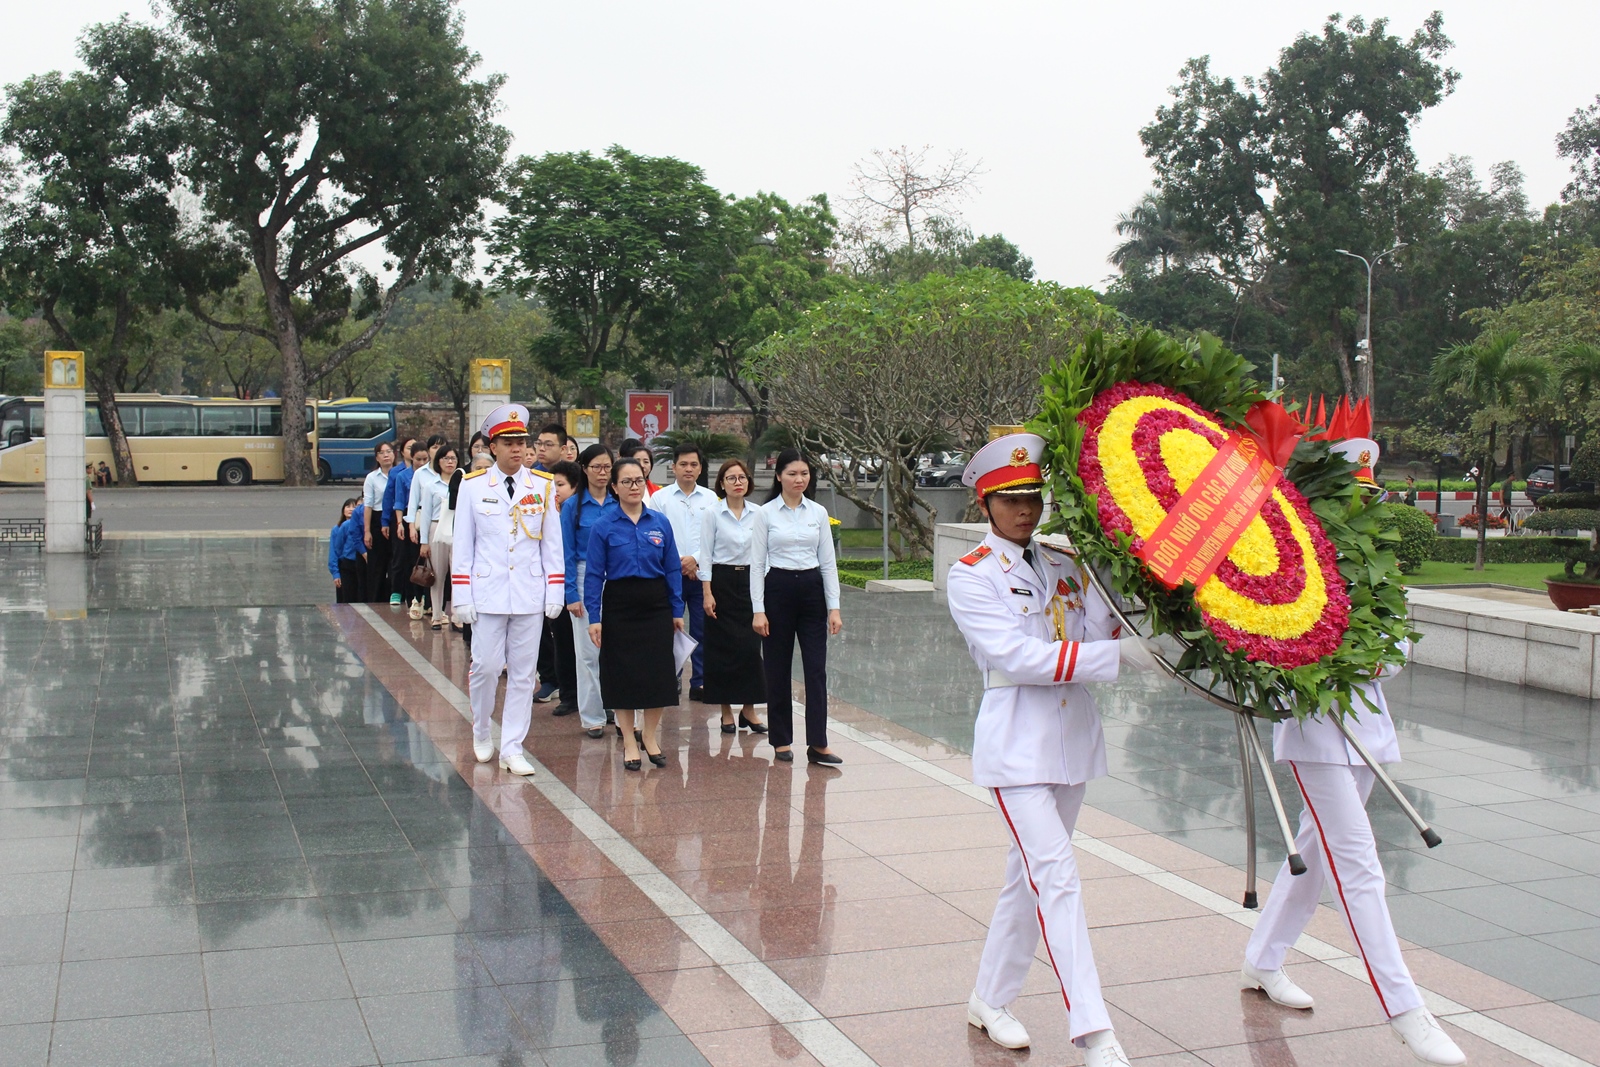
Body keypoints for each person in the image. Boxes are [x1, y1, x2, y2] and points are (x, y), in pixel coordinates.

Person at [1242, 436, 1465, 1067]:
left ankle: (1263, 958)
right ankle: (1405, 1010)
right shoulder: (1291, 566)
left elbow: (1395, 655)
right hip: (1315, 732)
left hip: (1367, 731)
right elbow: (1275, 650)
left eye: (1369, 497)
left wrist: (1364, 660)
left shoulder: (1374, 566)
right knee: (1359, 865)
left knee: (1314, 851)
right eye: (1350, 498)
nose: (1362, 510)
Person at [946, 432, 1157, 1067]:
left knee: (1028, 878)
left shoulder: (1066, 561)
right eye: (1010, 499)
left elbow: (1098, 627)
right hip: (1015, 744)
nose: (1025, 510)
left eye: (1033, 497)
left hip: (1070, 740)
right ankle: (1095, 1033)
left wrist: (1103, 569)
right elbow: (1018, 657)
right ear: (985, 504)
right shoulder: (973, 575)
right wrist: (1113, 656)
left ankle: (989, 997)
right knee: (1057, 876)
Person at [451, 405, 565, 776]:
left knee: (522, 673)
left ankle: (513, 745)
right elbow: (463, 545)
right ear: (493, 446)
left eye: (522, 441)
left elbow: (552, 544)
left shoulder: (543, 486)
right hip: (488, 591)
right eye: (509, 442)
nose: (517, 448)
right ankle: (482, 729)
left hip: (528, 591)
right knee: (484, 666)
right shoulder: (472, 485)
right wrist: (462, 596)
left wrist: (554, 591)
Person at [584, 456, 685, 770]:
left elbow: (672, 568)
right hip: (620, 604)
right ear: (614, 486)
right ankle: (629, 740)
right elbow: (593, 574)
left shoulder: (660, 522)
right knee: (623, 676)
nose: (633, 486)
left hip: (656, 604)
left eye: (639, 480)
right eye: (626, 481)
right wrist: (595, 616)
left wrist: (676, 608)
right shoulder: (604, 526)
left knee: (658, 675)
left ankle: (651, 737)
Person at [750, 449, 842, 765]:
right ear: (779, 477)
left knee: (816, 669)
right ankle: (781, 740)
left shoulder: (817, 512)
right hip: (778, 589)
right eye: (792, 473)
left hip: (812, 591)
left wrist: (835, 607)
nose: (799, 479)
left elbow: (828, 563)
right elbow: (756, 563)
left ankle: (818, 742)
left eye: (804, 473)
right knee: (777, 668)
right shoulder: (765, 514)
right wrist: (758, 609)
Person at [699, 458, 766, 734]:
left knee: (751, 648)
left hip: (751, 580)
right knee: (722, 648)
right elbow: (705, 555)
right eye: (731, 478)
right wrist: (707, 592)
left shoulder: (759, 513)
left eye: (742, 478)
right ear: (722, 484)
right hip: (722, 581)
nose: (738, 483)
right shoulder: (712, 514)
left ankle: (749, 710)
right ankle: (726, 710)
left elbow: (765, 552)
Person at [564, 445, 618, 739]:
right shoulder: (573, 506)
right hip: (585, 577)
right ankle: (593, 716)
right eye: (596, 466)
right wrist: (571, 593)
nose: (602, 472)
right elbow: (566, 553)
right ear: (584, 468)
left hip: (618, 577)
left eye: (607, 467)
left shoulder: (618, 501)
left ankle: (617, 706)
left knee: (617, 649)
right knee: (588, 652)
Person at [657, 443, 719, 701]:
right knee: (671, 627)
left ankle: (700, 681)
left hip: (700, 576)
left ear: (701, 468)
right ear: (673, 467)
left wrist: (695, 560)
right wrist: (679, 562)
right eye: (683, 464)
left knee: (702, 628)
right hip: (669, 575)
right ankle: (671, 677)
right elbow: (656, 535)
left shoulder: (711, 499)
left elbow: (716, 537)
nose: (688, 469)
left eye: (694, 464)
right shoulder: (660, 498)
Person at [545, 460, 583, 717]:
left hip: (580, 584)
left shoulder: (579, 510)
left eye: (560, 484)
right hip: (555, 586)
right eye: (552, 485)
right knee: (563, 642)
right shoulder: (544, 511)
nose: (555, 490)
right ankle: (568, 695)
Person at [417, 444, 460, 630]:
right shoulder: (430, 486)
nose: (450, 462)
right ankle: (436, 614)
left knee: (458, 575)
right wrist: (424, 541)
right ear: (438, 461)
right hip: (436, 529)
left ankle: (457, 617)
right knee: (438, 574)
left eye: (453, 458)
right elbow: (425, 515)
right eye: (445, 458)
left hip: (457, 529)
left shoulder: (463, 483)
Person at [406, 435, 448, 620]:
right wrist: (410, 525)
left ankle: (442, 610)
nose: (437, 450)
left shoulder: (455, 475)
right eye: (434, 446)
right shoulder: (421, 474)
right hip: (426, 522)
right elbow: (414, 501)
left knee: (448, 570)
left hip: (449, 526)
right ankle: (420, 601)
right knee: (426, 567)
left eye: (442, 447)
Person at [384, 438, 420, 606]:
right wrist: (399, 523)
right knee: (399, 556)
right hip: (404, 515)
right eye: (418, 458)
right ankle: (396, 591)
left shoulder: (429, 475)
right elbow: (397, 500)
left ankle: (417, 593)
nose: (421, 462)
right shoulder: (401, 475)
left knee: (417, 556)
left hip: (421, 515)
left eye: (424, 459)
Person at [363, 442, 395, 603]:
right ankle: (374, 600)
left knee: (395, 562)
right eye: (382, 453)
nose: (386, 455)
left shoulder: (399, 473)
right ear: (377, 457)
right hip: (377, 518)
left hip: (396, 518)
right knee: (377, 564)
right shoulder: (372, 477)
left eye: (389, 451)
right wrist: (367, 530)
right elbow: (368, 505)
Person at [328, 498, 366, 603]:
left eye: (354, 507)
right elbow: (335, 551)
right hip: (346, 565)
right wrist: (336, 573)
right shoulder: (339, 528)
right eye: (348, 506)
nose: (351, 509)